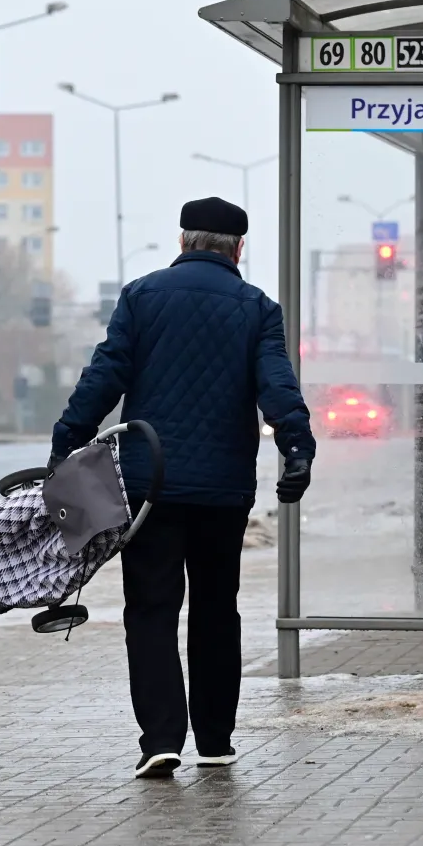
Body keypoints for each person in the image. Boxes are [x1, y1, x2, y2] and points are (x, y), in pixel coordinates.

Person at [50, 197, 316, 779]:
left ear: (181, 241)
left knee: (150, 609)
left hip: (150, 489)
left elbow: (105, 375)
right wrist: (296, 447)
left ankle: (161, 741)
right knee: (218, 610)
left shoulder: (142, 297)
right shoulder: (256, 309)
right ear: (238, 249)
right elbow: (276, 385)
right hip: (223, 492)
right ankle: (216, 740)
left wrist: (67, 440)